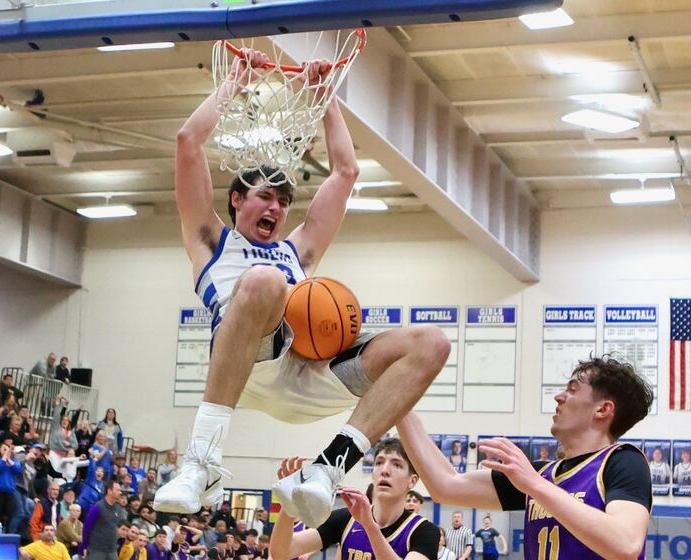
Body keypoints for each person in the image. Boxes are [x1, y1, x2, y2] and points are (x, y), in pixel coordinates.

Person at [153, 48, 450, 528]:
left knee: (432, 342)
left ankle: (327, 468)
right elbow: (188, 141)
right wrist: (235, 82)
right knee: (266, 282)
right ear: (236, 200)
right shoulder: (209, 240)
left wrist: (326, 96)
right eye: (265, 196)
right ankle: (201, 461)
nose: (277, 207)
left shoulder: (299, 252)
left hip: (311, 372)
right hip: (249, 368)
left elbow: (346, 173)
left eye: (285, 200)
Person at [397, 355, 654, 559]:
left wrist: (534, 484)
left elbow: (626, 544)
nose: (559, 396)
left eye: (573, 390)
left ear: (603, 409)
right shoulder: (540, 474)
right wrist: (395, 400)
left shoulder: (623, 461)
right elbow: (446, 485)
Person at [270, 438, 439, 560]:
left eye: (397, 464)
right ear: (373, 473)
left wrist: (369, 526)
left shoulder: (425, 531)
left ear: (412, 480)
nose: (385, 470)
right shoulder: (346, 519)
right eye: (379, 462)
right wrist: (290, 503)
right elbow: (282, 553)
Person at [81, 480, 128, 560]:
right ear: (109, 491)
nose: (120, 493)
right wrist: (84, 546)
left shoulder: (118, 509)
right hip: (96, 550)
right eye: (118, 490)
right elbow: (86, 528)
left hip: (112, 550)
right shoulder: (97, 507)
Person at [0, 442, 23, 533]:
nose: (6, 450)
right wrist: (4, 458)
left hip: (10, 492)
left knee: (9, 516)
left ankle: (7, 536)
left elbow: (18, 469)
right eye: (3, 449)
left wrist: (9, 460)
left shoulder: (15, 462)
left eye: (7, 449)